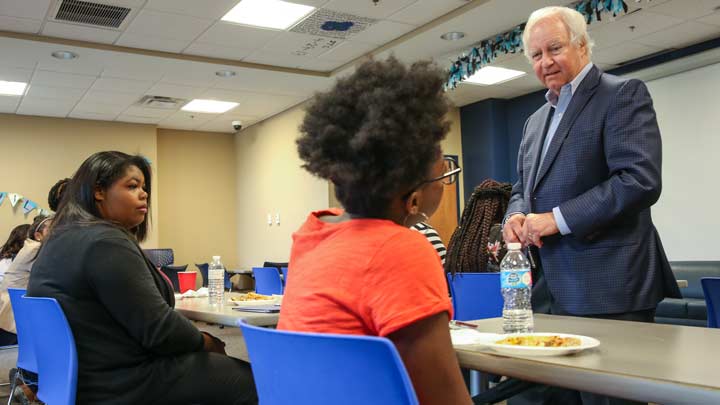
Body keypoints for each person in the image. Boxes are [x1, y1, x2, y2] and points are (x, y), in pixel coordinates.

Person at [503, 6, 680, 405]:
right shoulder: (534, 121)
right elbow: (522, 188)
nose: (545, 62)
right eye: (535, 55)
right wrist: (516, 214)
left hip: (610, 291)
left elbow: (639, 181)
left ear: (582, 46)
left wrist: (556, 220)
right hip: (549, 293)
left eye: (554, 48)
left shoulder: (622, 94)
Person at [278, 56, 470, 405]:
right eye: (442, 174)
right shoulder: (402, 249)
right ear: (413, 199)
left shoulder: (312, 233)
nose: (445, 184)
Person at [28, 151, 257, 405]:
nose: (144, 193)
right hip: (123, 383)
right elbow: (159, 331)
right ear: (98, 191)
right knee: (255, 381)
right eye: (132, 185)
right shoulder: (105, 241)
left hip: (80, 380)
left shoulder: (59, 240)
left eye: (144, 187)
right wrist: (206, 341)